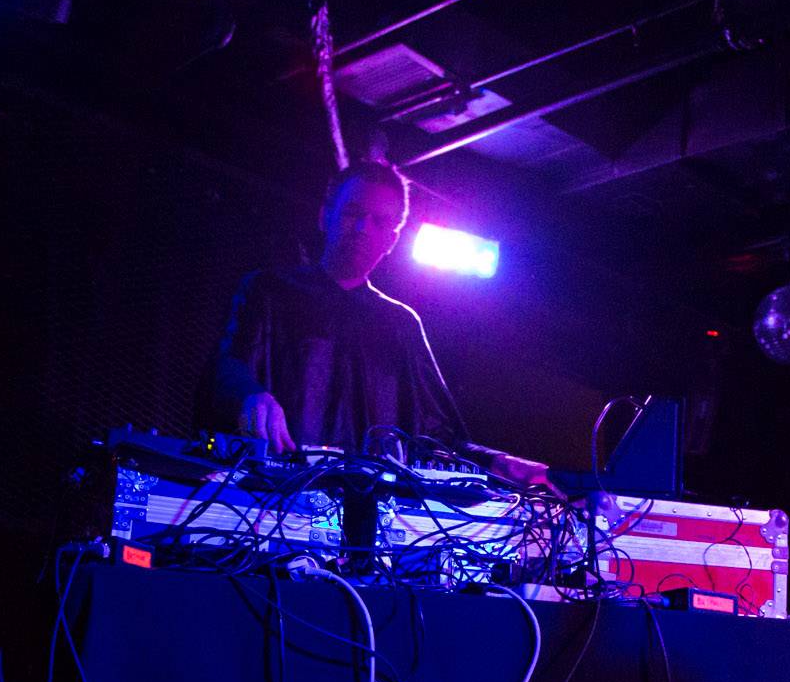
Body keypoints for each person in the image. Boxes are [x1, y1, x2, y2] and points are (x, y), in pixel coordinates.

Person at [198, 158, 553, 487]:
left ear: (392, 240)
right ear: (325, 216)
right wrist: (250, 394)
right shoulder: (269, 289)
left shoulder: (401, 323)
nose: (363, 228)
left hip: (371, 511)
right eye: (353, 212)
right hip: (274, 492)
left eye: (380, 221)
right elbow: (229, 365)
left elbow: (437, 435)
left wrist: (498, 462)